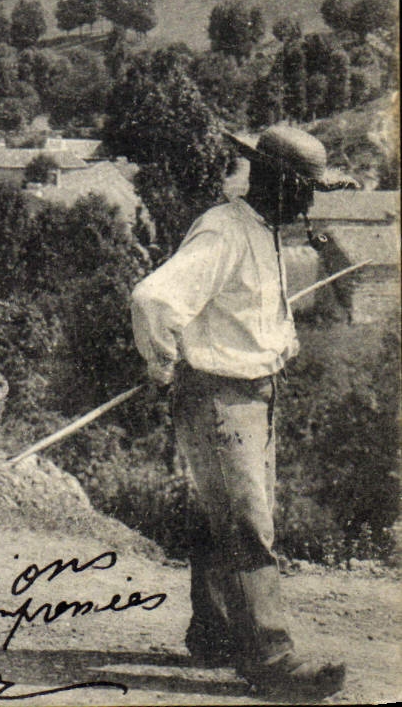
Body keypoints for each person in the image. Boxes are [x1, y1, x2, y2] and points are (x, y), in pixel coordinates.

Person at [130, 124, 354, 700]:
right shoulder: (223, 232)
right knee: (249, 526)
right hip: (218, 395)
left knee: (222, 516)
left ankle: (215, 634)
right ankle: (272, 660)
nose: (309, 202)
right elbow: (154, 298)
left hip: (255, 393)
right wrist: (164, 365)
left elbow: (250, 312)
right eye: (305, 190)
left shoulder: (264, 231)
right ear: (276, 183)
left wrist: (279, 345)